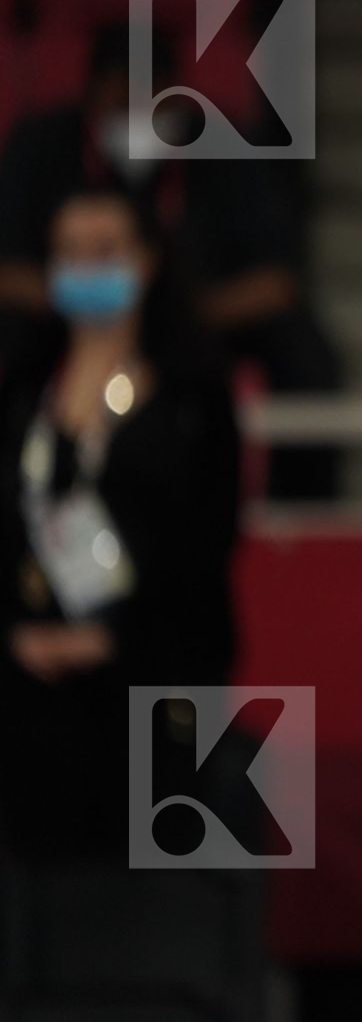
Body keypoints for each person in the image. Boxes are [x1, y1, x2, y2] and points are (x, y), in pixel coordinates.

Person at [0, 23, 343, 499]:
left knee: (305, 356)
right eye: (122, 102)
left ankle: (302, 511)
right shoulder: (40, 147)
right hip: (67, 320)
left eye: (151, 102)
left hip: (196, 326)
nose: (136, 115)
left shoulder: (227, 147)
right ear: (92, 97)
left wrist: (176, 312)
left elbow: (278, 280)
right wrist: (75, 296)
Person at [0, 190, 240, 858]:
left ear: (146, 259)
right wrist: (19, 637)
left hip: (150, 683)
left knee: (145, 876)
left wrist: (113, 640)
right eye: (70, 252)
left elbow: (208, 542)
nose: (86, 266)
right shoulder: (23, 396)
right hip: (29, 684)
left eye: (105, 249)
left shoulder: (193, 398)